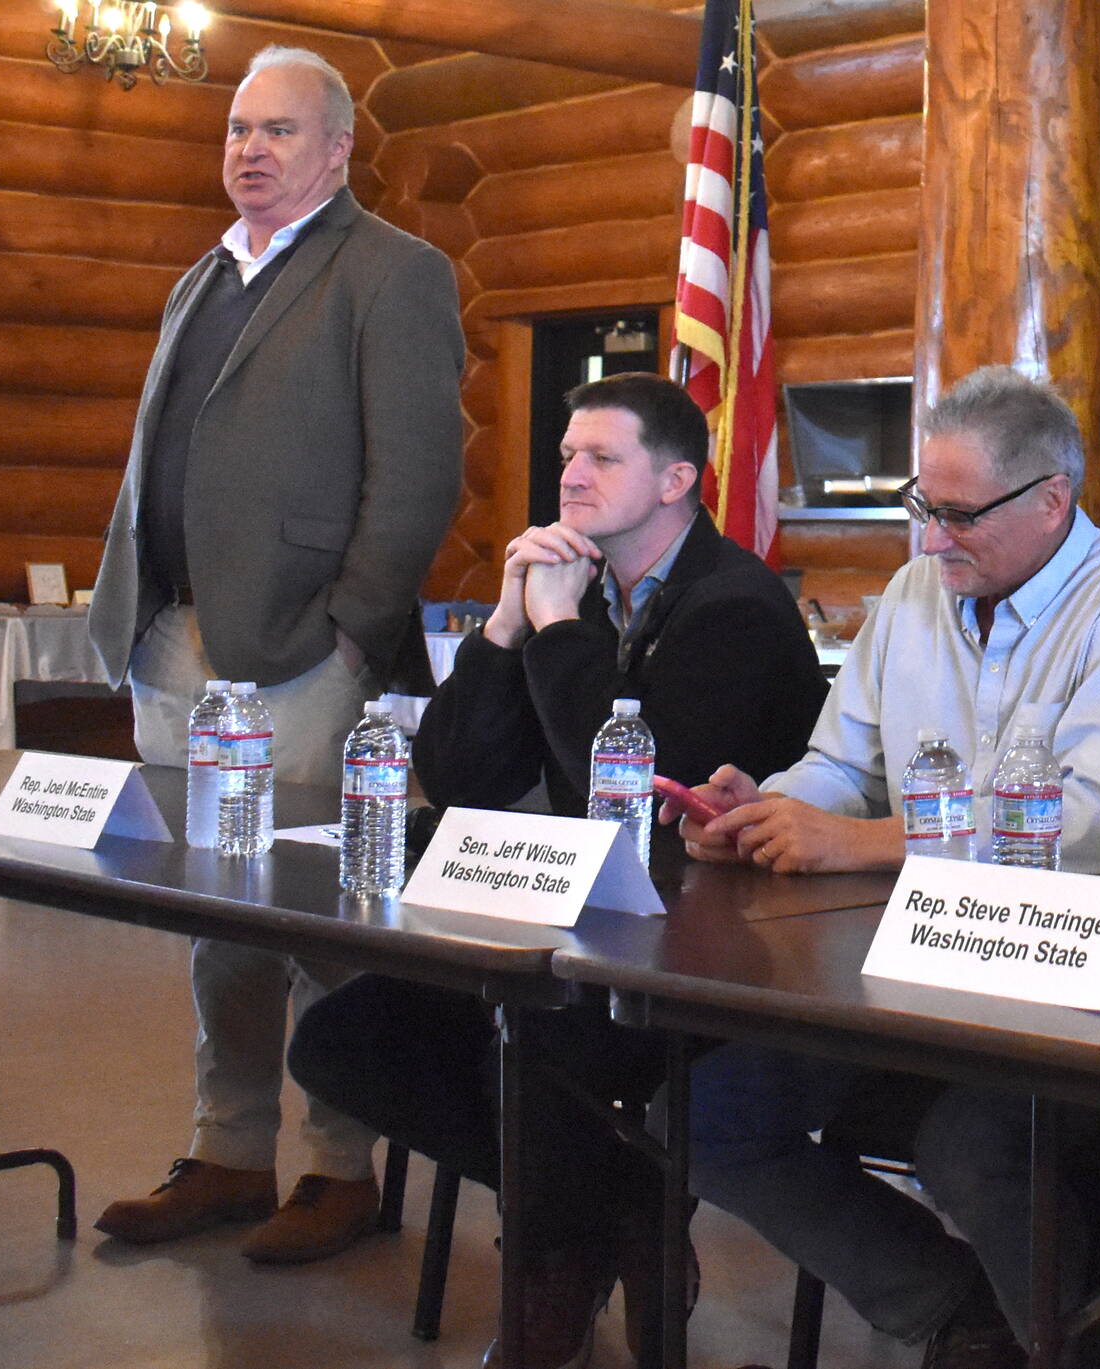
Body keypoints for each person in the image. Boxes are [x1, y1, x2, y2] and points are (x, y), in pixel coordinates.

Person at [287, 372, 828, 1368]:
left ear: (674, 480)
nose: (569, 475)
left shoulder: (734, 606)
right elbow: (454, 778)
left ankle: (557, 1259)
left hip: (715, 952)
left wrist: (560, 629)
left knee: (533, 1039)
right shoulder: (569, 590)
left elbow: (624, 789)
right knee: (342, 1038)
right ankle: (620, 1211)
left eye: (599, 458)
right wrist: (502, 624)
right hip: (580, 925)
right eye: (567, 455)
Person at [675, 365, 1100, 1368]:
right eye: (921, 505)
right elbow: (839, 761)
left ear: (1052, 500)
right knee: (704, 1112)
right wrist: (769, 810)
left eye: (958, 514)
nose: (929, 537)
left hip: (1088, 985)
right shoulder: (917, 589)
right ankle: (959, 1316)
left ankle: (1088, 1354)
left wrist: (857, 841)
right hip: (911, 964)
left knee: (964, 1146)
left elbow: (1088, 829)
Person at [87, 45, 464, 1263]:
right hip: (178, 640)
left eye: (280, 133)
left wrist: (348, 630)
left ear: (339, 150)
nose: (251, 150)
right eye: (239, 130)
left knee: (322, 918)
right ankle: (227, 1150)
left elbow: (416, 481)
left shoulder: (394, 273)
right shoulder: (204, 274)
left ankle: (339, 1168)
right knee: (219, 920)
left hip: (308, 654)